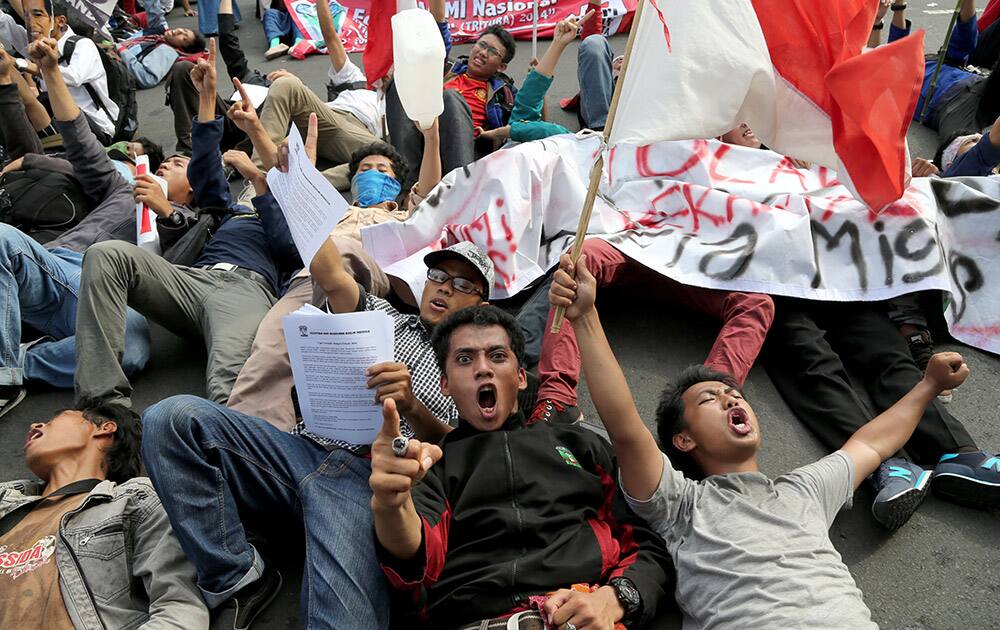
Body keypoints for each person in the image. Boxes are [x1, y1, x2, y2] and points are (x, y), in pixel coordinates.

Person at [548, 251, 972, 627]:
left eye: (733, 393)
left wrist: (928, 386)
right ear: (683, 441)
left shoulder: (804, 490)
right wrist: (585, 317)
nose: (731, 398)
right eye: (709, 399)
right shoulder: (680, 505)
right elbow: (624, 428)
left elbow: (871, 444)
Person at [139, 242, 494, 629]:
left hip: (367, 484)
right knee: (170, 419)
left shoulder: (471, 367)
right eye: (438, 276)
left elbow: (458, 447)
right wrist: (292, 188)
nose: (443, 288)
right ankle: (235, 576)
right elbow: (331, 275)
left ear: (483, 307)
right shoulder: (381, 313)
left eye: (462, 284)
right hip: (296, 451)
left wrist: (410, 406)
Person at [370, 305, 674, 629]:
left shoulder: (582, 446)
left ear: (520, 377)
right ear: (445, 384)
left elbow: (646, 541)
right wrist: (391, 503)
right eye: (464, 359)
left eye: (497, 356)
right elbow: (414, 555)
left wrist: (615, 598)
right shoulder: (431, 463)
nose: (483, 368)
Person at [73, 39, 300, 408]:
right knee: (106, 255)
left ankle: (229, 452)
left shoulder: (294, 217)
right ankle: (105, 409)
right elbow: (208, 174)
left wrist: (261, 183)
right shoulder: (232, 212)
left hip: (244, 290)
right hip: (192, 281)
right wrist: (208, 99)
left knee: (231, 382)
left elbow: (287, 246)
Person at [227, 79, 443, 429]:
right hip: (310, 280)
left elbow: (432, 190)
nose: (372, 174)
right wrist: (255, 130)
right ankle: (253, 442)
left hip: (368, 283)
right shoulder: (333, 210)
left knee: (341, 248)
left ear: (399, 187)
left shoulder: (405, 214)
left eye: (382, 170)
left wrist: (431, 137)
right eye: (364, 170)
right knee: (269, 349)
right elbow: (290, 192)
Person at [0, 35, 183, 417]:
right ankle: (6, 373)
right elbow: (81, 143)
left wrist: (169, 214)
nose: (167, 164)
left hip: (110, 302)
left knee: (130, 350)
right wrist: (51, 71)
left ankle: (17, 365)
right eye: (167, 161)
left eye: (179, 165)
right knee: (4, 241)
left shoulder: (188, 227)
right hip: (62, 270)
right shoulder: (122, 190)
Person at [762, 296, 1000, 529]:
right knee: (807, 358)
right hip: (774, 289)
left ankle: (958, 454)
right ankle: (885, 463)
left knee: (883, 349)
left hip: (843, 285)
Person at [0, 402, 208, 628]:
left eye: (53, 421)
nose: (35, 424)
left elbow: (178, 607)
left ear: (104, 428)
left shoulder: (134, 501)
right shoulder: (5, 502)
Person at [532, 237, 773, 424]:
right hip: (636, 243)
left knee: (757, 303)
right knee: (581, 257)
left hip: (703, 259)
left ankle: (710, 411)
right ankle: (558, 398)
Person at [253, 0, 382, 189]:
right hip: (330, 117)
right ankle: (260, 175)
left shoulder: (405, 101)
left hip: (361, 135)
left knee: (386, 161)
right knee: (286, 84)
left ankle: (302, 184)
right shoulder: (357, 77)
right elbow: (331, 37)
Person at [386, 0, 517, 177]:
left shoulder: (505, 93)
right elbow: (438, 31)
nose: (483, 53)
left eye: (493, 52)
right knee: (401, 82)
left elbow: (529, 116)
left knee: (450, 98)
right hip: (423, 139)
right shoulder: (446, 67)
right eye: (482, 45)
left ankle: (459, 187)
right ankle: (409, 183)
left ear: (501, 67)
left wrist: (538, 81)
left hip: (466, 151)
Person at [889, 0, 1000, 140]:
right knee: (962, 146)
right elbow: (894, 48)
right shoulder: (897, 79)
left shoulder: (943, 59)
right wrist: (895, 10)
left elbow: (965, 35)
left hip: (980, 86)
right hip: (950, 104)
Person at [21, 2, 118, 144]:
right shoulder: (37, 47)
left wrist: (28, 66)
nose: (30, 23)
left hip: (95, 128)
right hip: (62, 127)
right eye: (26, 16)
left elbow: (74, 76)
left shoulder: (83, 45)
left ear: (60, 21)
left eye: (37, 15)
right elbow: (5, 24)